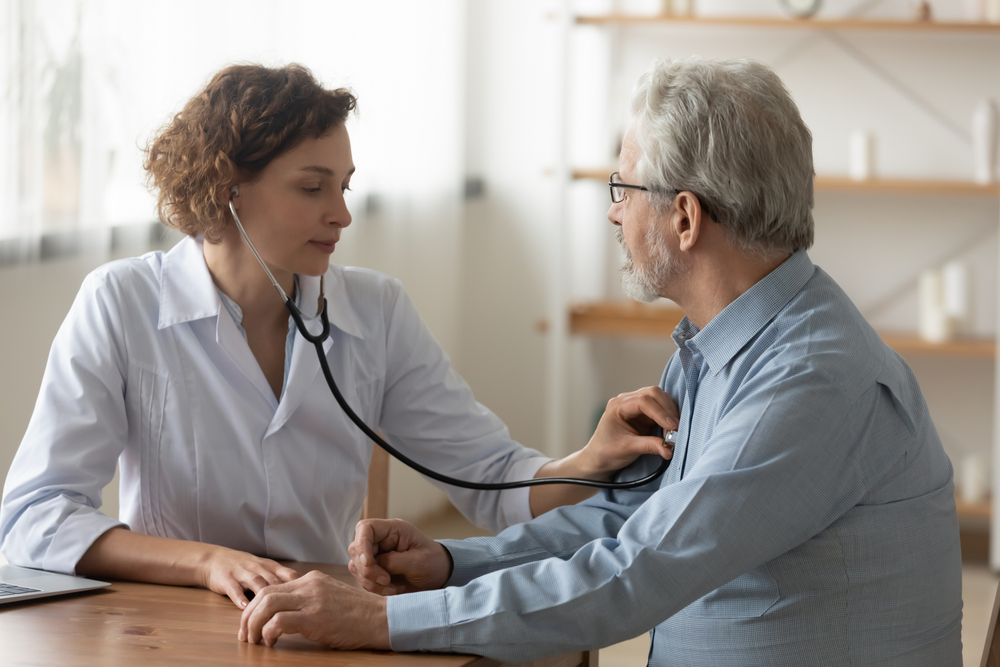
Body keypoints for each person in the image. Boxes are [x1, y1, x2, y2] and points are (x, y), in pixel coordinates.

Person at [237, 57, 964, 666]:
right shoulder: (718, 347)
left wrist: (379, 623)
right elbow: (628, 520)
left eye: (624, 189)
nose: (614, 213)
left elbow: (638, 570)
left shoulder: (810, 379)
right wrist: (456, 564)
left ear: (684, 217)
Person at [0, 63, 678, 610]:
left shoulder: (375, 311)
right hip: (163, 626)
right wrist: (205, 562)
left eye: (345, 185)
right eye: (312, 187)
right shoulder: (121, 303)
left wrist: (592, 459)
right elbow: (34, 516)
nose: (342, 213)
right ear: (228, 186)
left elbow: (493, 482)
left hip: (311, 622)